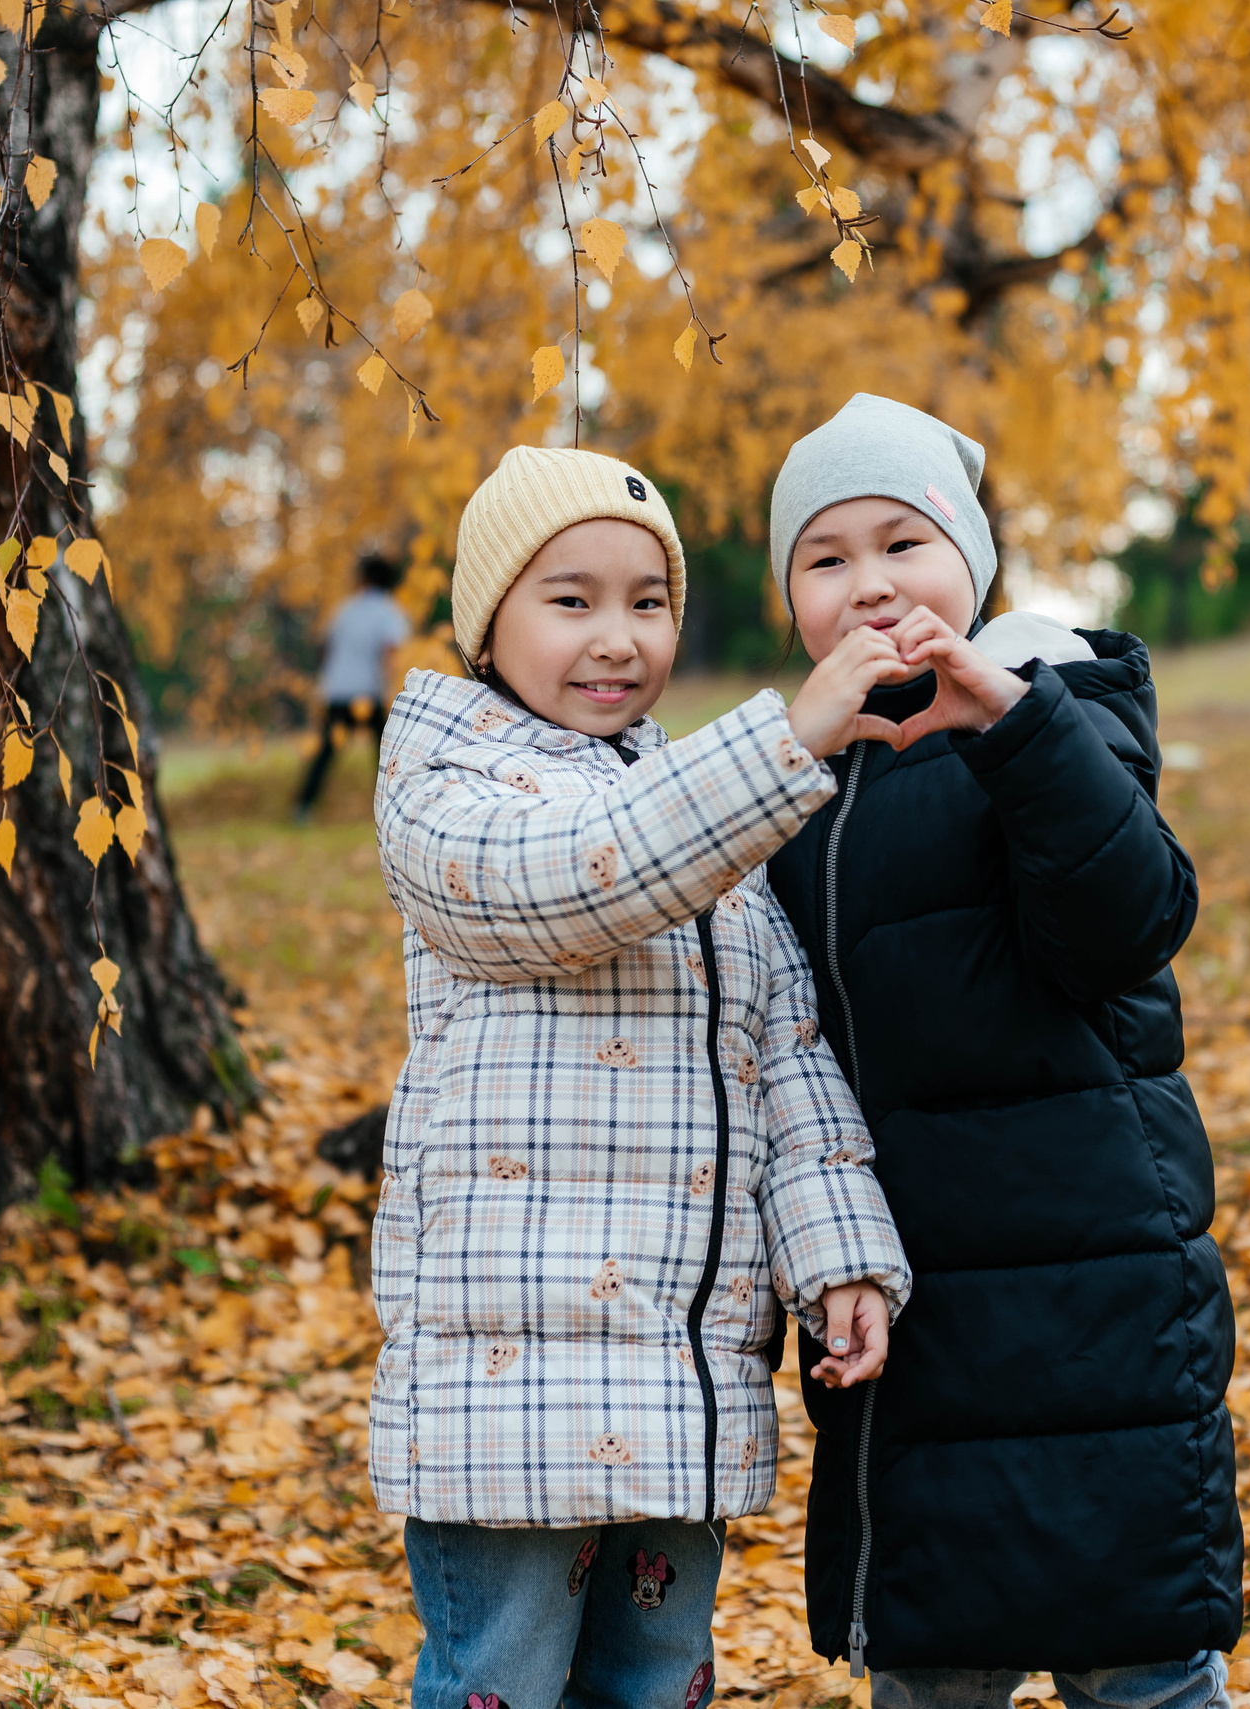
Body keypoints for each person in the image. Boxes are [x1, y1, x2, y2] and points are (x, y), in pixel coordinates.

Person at [368, 445, 920, 1709]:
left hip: (679, 1374)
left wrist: (840, 1255)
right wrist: (785, 741)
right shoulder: (446, 786)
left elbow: (788, 1064)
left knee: (657, 1682)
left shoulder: (701, 807)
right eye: (571, 600)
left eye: (649, 600)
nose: (616, 637)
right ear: (486, 624)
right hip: (510, 1390)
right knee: (502, 1678)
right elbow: (581, 878)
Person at [764, 396, 1243, 1707]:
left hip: (1098, 1294)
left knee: (1137, 1657)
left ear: (969, 565)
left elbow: (1129, 920)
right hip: (913, 1314)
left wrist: (1013, 727)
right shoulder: (799, 778)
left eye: (903, 543)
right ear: (792, 604)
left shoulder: (1059, 700)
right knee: (935, 1662)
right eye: (826, 558)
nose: (870, 584)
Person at [295, 552, 413, 820]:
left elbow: (326, 647)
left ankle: (302, 808)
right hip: (369, 693)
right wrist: (393, 690)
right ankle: (392, 809)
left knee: (325, 754)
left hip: (337, 691)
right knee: (385, 755)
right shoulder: (389, 611)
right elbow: (390, 654)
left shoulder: (345, 610)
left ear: (364, 578)